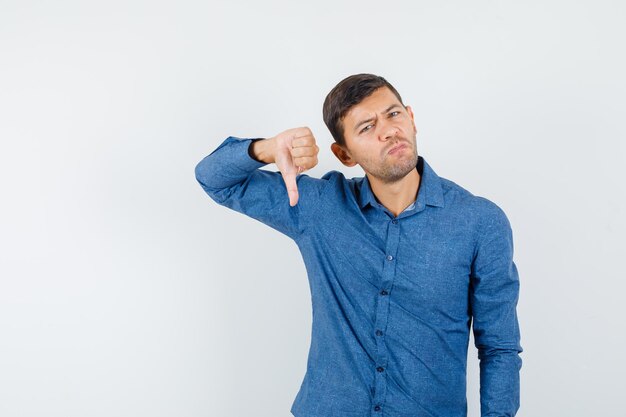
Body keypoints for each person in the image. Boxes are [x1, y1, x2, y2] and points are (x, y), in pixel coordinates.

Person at [195, 73, 523, 417]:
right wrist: (264, 148)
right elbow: (215, 180)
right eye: (366, 127)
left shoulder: (480, 222)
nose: (388, 130)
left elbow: (499, 347)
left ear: (411, 118)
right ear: (344, 154)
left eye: (393, 114)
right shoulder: (319, 207)